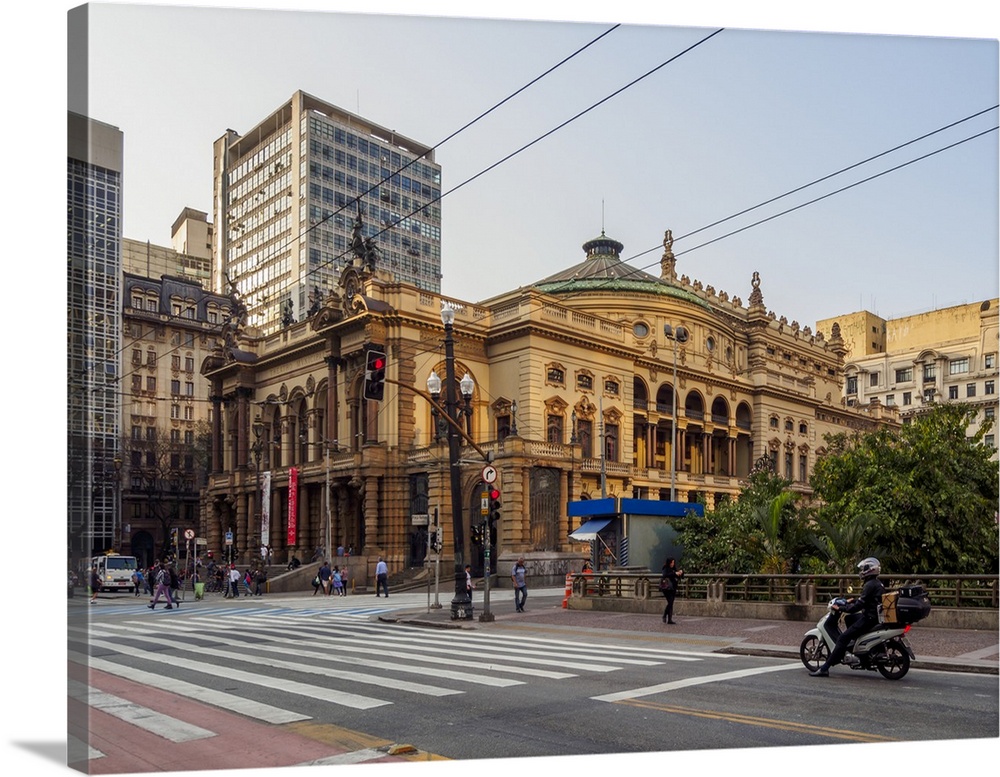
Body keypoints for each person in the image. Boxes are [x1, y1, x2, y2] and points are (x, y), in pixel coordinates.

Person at [810, 557, 886, 677]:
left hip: (869, 618)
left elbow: (859, 606)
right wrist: (852, 601)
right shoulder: (876, 583)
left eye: (863, 569)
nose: (861, 571)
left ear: (870, 570)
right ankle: (856, 645)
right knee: (848, 619)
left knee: (842, 639)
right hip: (873, 616)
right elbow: (866, 600)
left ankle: (825, 668)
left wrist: (841, 608)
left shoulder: (869, 585)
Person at [660, 557, 684, 624]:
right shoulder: (665, 568)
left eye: (673, 562)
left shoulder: (673, 569)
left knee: (671, 603)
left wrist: (680, 573)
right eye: (672, 562)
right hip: (667, 588)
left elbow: (678, 576)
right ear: (669, 562)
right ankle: (664, 615)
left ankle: (669, 619)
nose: (673, 564)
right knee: (670, 602)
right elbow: (665, 575)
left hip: (673, 588)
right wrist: (674, 574)